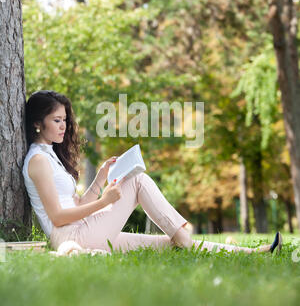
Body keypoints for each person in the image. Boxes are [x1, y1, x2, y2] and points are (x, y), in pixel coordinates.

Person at [22, 90, 283, 255]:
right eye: (57, 120)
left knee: (167, 245)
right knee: (136, 180)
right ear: (37, 123)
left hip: (85, 230)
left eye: (65, 120)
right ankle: (184, 235)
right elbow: (57, 217)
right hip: (72, 236)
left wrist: (101, 177)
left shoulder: (50, 157)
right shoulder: (37, 161)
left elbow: (77, 203)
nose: (64, 127)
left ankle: (253, 253)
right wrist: (104, 202)